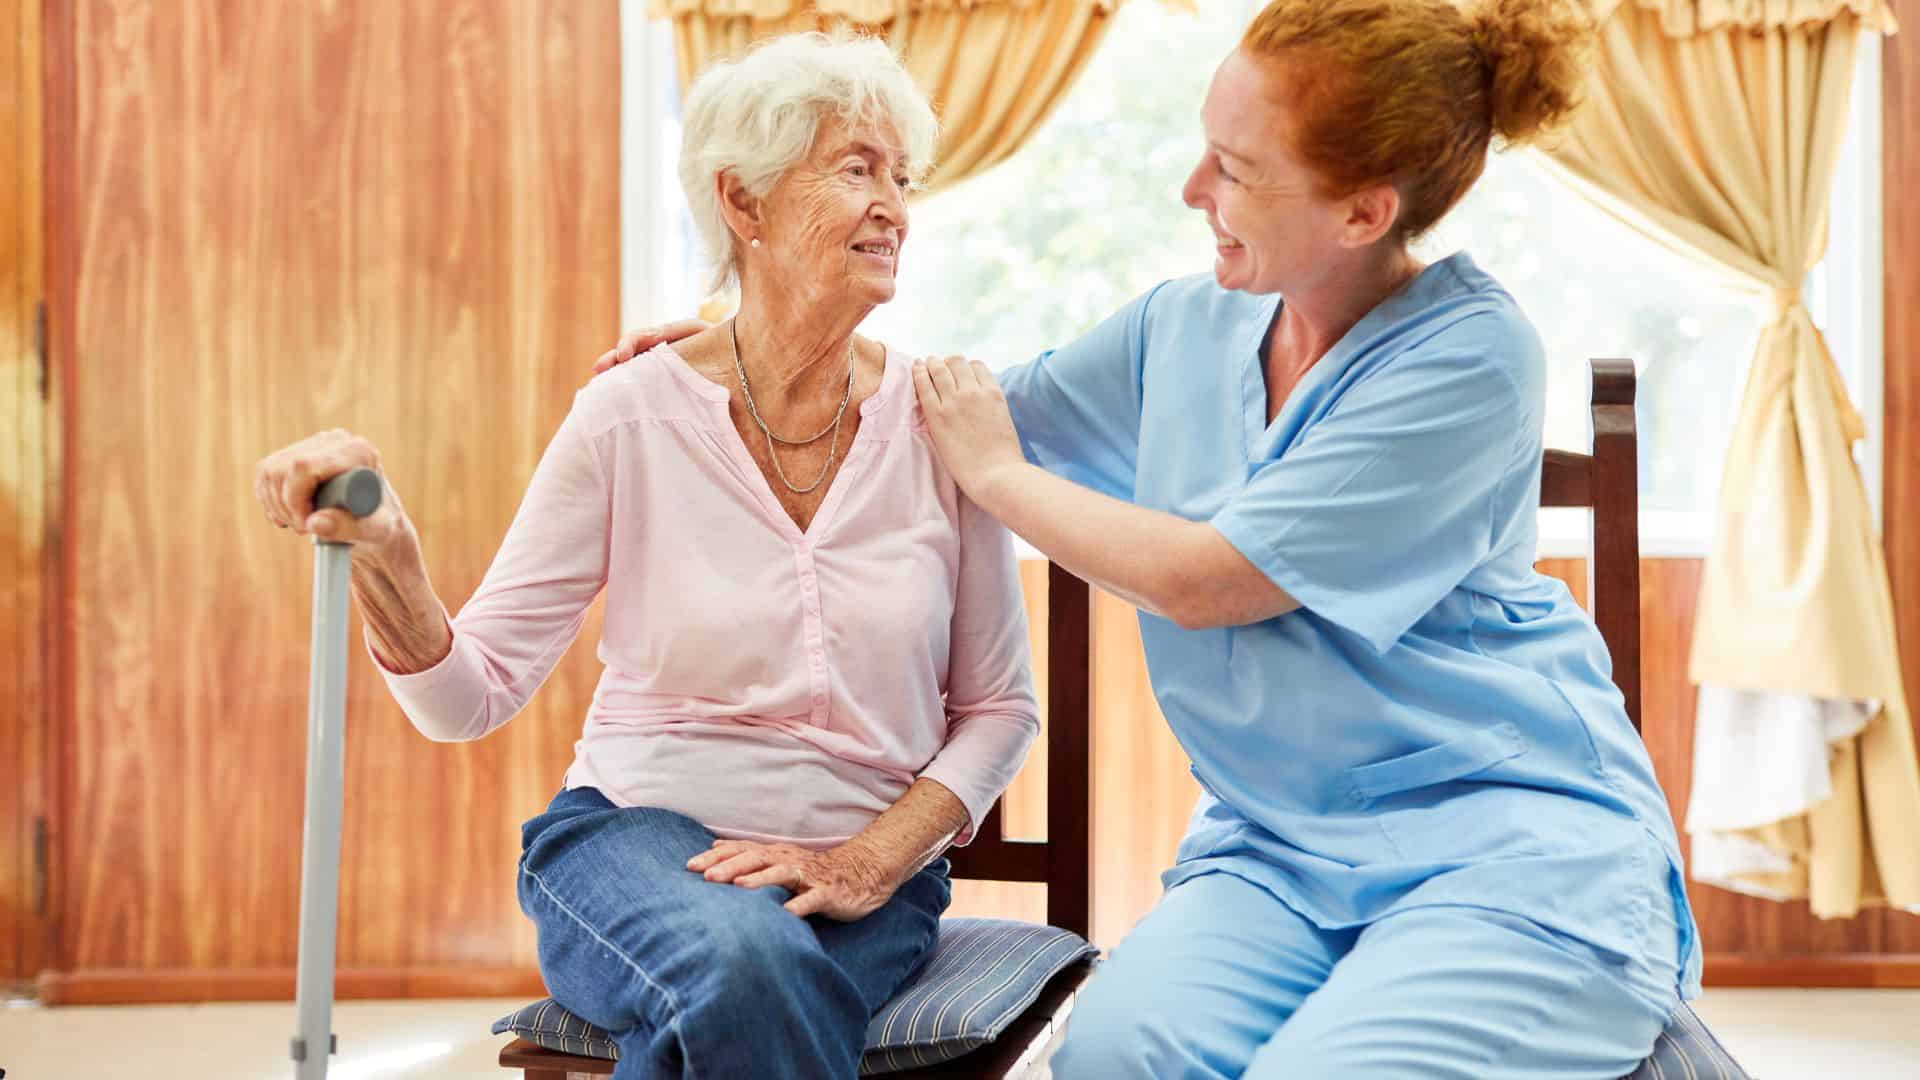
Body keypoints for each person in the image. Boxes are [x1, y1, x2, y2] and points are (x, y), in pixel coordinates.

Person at [598, 1, 1701, 1076]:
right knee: (1115, 1058)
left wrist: (998, 475)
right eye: (1204, 150)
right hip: (1281, 854)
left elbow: (1211, 581)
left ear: (1363, 212)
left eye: (1238, 170)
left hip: (1508, 851)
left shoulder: (1471, 358)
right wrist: (754, 347)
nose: (1191, 191)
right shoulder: (1187, 325)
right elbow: (939, 411)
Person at [254, 33, 1038, 1080]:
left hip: (866, 882)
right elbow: (466, 699)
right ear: (744, 205)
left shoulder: (948, 426)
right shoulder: (630, 416)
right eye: (856, 168)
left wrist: (867, 862)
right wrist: (389, 550)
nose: (894, 204)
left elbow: (999, 710)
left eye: (902, 176)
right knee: (742, 963)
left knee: (734, 997)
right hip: (630, 843)